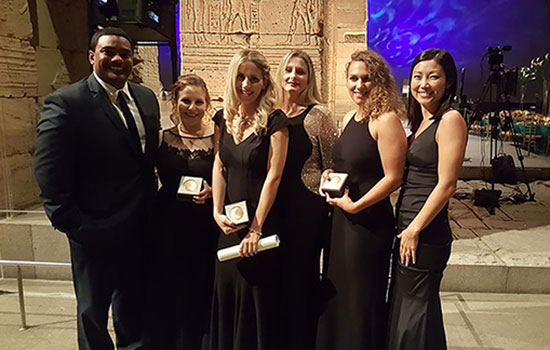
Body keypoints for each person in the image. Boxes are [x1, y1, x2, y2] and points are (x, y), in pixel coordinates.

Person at [34, 27, 160, 349]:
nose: (117, 58)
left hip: (139, 230)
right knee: (92, 315)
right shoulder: (67, 103)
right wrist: (75, 225)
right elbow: (48, 172)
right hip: (94, 232)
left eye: (125, 53)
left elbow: (145, 164)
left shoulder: (145, 98)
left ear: (133, 59)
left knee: (135, 310)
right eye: (108, 52)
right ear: (93, 57)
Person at [316, 49, 407, 350]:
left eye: (366, 79)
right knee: (341, 296)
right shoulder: (350, 117)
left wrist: (356, 205)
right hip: (343, 220)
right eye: (353, 78)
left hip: (367, 224)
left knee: (360, 299)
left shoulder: (386, 119)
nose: (358, 85)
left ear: (379, 81)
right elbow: (351, 164)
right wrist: (332, 173)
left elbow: (393, 177)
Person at [387, 49, 467, 350]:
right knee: (415, 308)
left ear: (448, 82)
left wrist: (414, 229)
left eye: (433, 76)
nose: (424, 83)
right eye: (418, 76)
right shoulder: (422, 120)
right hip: (409, 223)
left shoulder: (450, 119)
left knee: (415, 312)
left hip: (425, 231)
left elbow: (447, 185)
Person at [210, 49, 289, 350]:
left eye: (253, 79)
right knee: (227, 291)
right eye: (241, 77)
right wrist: (217, 212)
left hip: (261, 223)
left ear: (264, 82)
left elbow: (274, 175)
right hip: (229, 223)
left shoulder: (275, 120)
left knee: (256, 296)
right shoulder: (223, 117)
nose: (246, 85)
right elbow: (220, 164)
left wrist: (256, 229)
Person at [145, 74, 218, 349]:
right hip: (167, 223)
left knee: (200, 286)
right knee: (169, 288)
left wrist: (213, 191)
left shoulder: (217, 137)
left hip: (203, 224)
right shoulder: (162, 137)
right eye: (186, 100)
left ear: (207, 104)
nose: (192, 107)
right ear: (175, 102)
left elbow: (226, 176)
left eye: (199, 102)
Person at [274, 50, 337, 349]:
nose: (293, 77)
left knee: (300, 280)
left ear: (309, 78)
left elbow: (332, 165)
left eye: (300, 71)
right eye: (289, 70)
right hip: (273, 209)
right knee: (275, 280)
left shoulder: (319, 115)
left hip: (305, 211)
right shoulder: (270, 113)